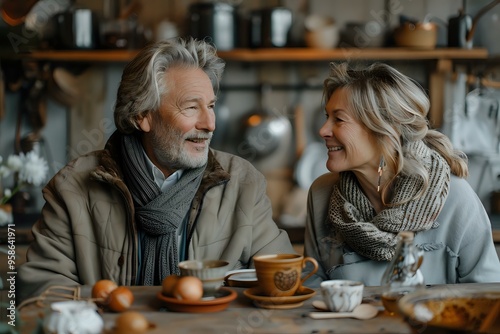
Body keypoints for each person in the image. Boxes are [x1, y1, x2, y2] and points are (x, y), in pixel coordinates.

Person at [18, 37, 294, 302]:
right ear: (142, 115)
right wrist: (111, 309)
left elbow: (282, 280)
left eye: (210, 106)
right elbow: (40, 291)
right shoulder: (73, 187)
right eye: (191, 107)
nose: (209, 123)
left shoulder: (243, 183)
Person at [303, 62, 500, 287]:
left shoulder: (454, 198)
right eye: (327, 116)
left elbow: (488, 293)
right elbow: (311, 282)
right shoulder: (321, 195)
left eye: (338, 119)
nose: (323, 130)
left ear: (385, 129)